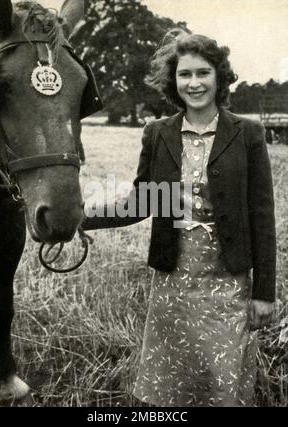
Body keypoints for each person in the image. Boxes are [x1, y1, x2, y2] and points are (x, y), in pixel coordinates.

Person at [82, 30, 276, 407]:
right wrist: (82, 218)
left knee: (224, 385)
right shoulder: (158, 133)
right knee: (171, 390)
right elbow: (141, 203)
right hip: (173, 284)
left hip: (229, 284)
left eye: (203, 73)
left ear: (219, 77)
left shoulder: (248, 133)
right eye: (184, 74)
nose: (194, 83)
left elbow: (262, 216)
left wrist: (264, 294)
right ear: (173, 80)